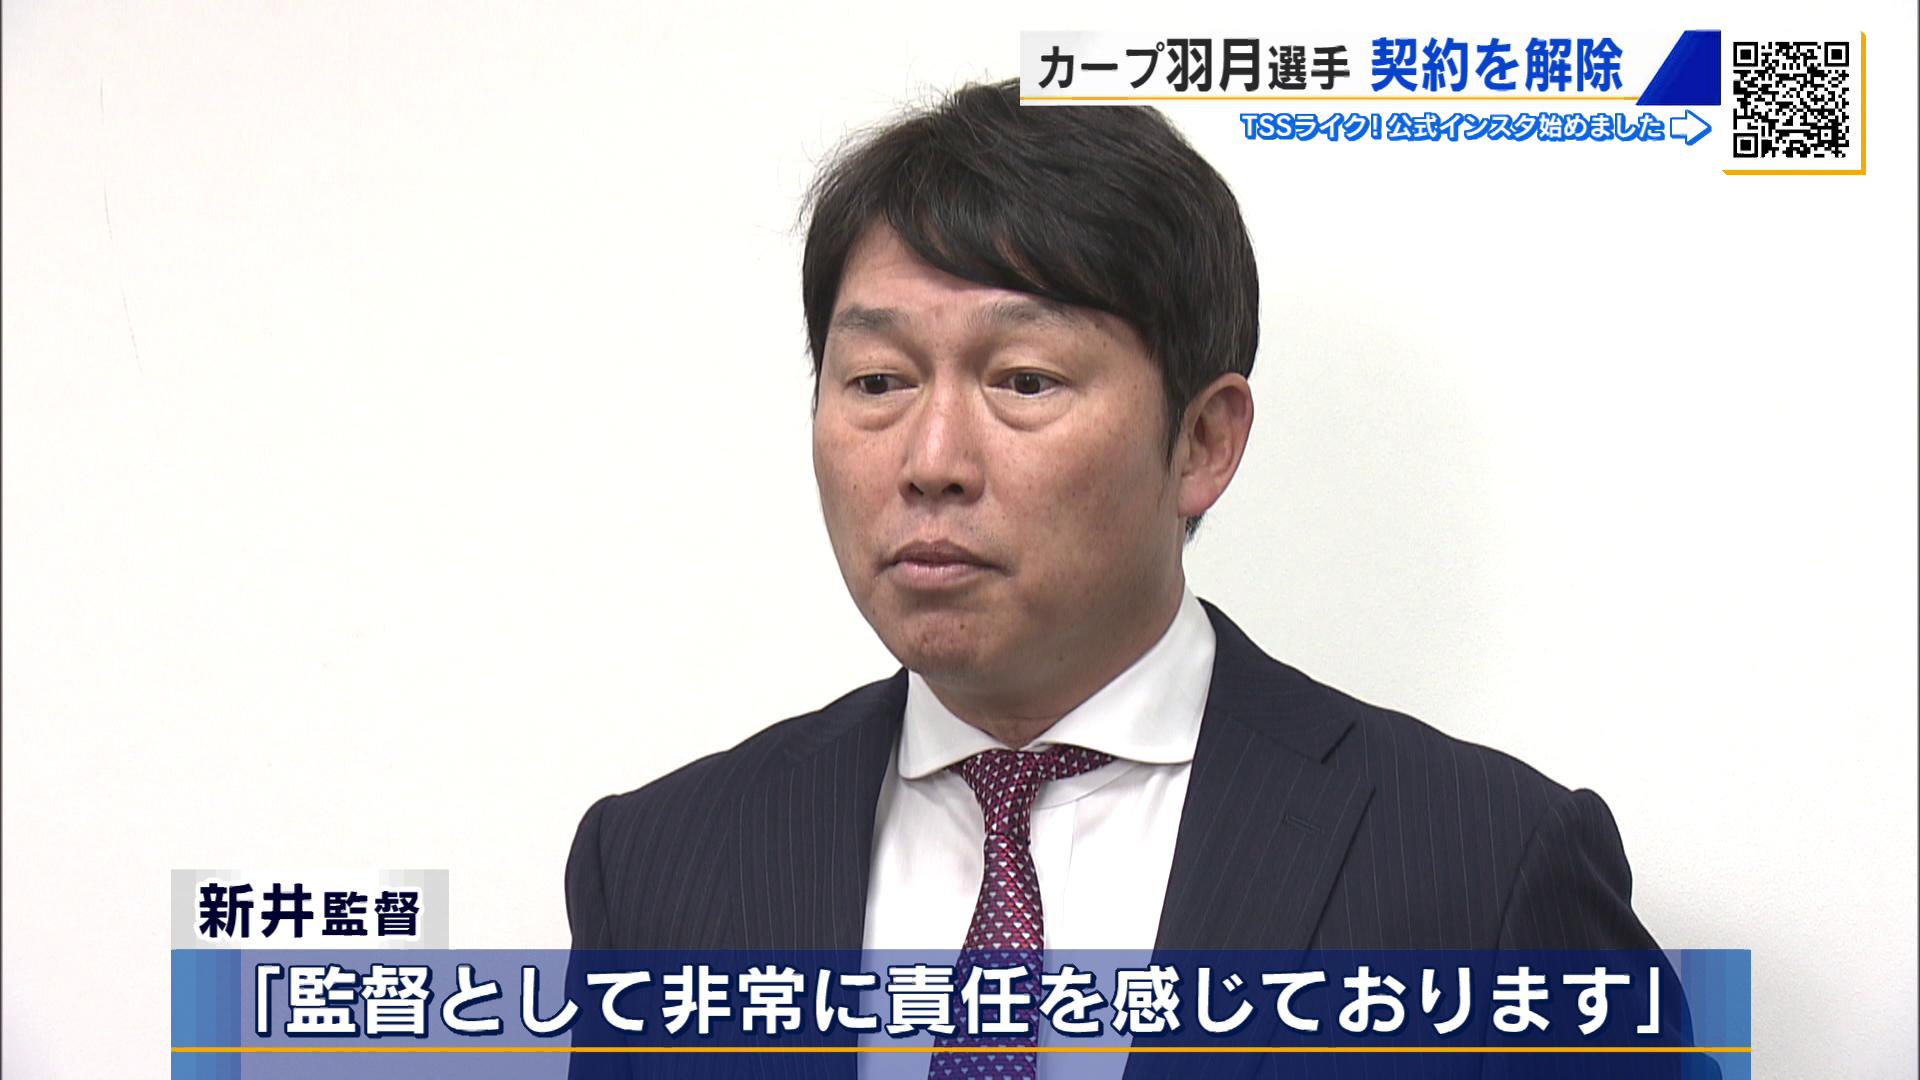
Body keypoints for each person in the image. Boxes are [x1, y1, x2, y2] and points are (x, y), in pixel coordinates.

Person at [565, 78, 1682, 1078]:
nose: (931, 460)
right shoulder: (660, 865)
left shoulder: (1488, 867)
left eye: (1024, 379)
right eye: (877, 381)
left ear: (1202, 442)